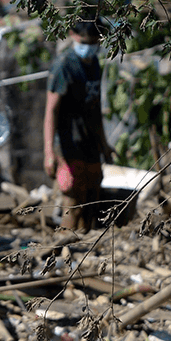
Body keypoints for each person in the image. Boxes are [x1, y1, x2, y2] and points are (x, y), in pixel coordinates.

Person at [44, 20, 114, 232]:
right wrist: (49, 152)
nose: (89, 47)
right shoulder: (64, 65)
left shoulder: (93, 64)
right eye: (85, 42)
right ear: (73, 35)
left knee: (92, 198)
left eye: (94, 42)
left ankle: (85, 250)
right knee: (73, 200)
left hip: (89, 143)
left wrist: (104, 145)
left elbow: (94, 109)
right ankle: (65, 245)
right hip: (68, 144)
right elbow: (51, 111)